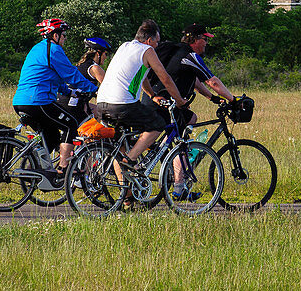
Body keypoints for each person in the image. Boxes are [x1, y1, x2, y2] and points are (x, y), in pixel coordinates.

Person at [141, 24, 238, 201]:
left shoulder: (175, 52)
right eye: (204, 39)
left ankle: (166, 154)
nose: (206, 43)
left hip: (151, 98)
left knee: (189, 119)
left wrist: (212, 98)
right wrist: (233, 100)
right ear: (194, 39)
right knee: (181, 141)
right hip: (164, 103)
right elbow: (212, 81)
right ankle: (179, 187)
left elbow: (194, 80)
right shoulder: (190, 56)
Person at [11, 18, 101, 182]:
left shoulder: (38, 49)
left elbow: (54, 79)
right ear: (55, 35)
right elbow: (71, 75)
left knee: (51, 137)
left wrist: (70, 91)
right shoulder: (54, 50)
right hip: (38, 101)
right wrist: (95, 89)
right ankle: (63, 169)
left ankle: (33, 172)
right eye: (64, 35)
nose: (65, 38)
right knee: (71, 124)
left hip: (21, 101)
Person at [95, 19, 186, 172]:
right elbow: (165, 78)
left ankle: (126, 193)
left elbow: (140, 76)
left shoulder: (125, 46)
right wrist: (179, 101)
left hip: (102, 103)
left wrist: (152, 95)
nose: (158, 45)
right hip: (122, 104)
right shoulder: (147, 50)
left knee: (122, 148)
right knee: (157, 125)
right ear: (149, 40)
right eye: (157, 42)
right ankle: (130, 159)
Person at [55, 37, 111, 123]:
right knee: (98, 123)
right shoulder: (95, 68)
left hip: (64, 101)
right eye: (105, 54)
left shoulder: (81, 65)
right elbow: (109, 88)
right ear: (98, 53)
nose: (106, 57)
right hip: (73, 104)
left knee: (96, 111)